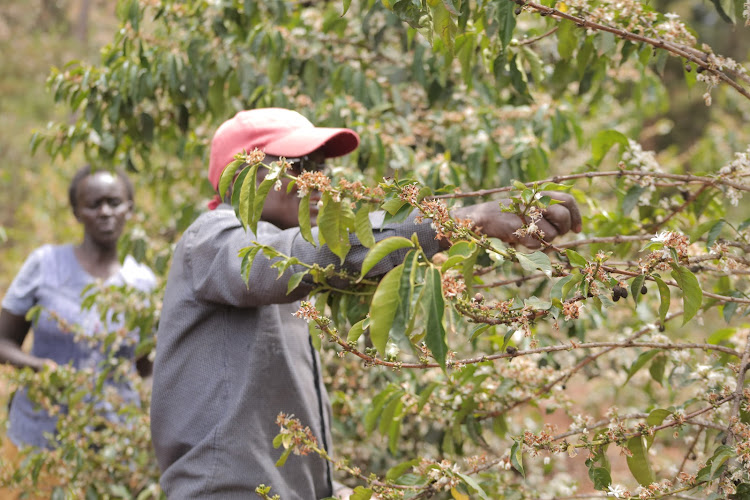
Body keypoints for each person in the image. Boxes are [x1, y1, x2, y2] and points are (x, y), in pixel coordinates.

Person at [149, 108, 582, 499]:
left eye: (318, 167)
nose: (314, 181)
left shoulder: (283, 278)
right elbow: (306, 254)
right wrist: (469, 220)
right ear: (243, 177)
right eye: (295, 166)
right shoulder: (213, 239)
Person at [0, 165, 156, 469]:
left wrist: (144, 423)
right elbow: (2, 341)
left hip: (113, 450)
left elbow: (146, 369)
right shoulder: (45, 265)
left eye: (114, 202)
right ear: (77, 212)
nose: (105, 212)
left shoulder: (143, 283)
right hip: (37, 441)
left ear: (129, 209)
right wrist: (40, 368)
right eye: (93, 204)